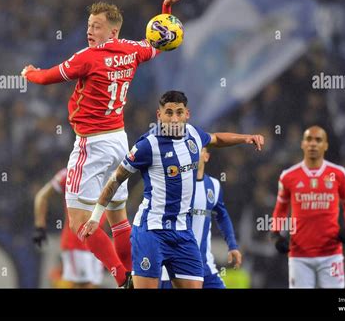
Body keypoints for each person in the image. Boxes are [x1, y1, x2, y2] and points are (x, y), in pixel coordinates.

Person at [21, 0, 182, 287]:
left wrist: (29, 72)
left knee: (79, 222)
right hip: (119, 141)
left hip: (91, 144)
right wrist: (166, 10)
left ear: (113, 31)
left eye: (97, 26)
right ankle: (133, 273)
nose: (90, 31)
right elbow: (159, 42)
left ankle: (122, 278)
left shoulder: (88, 57)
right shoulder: (133, 50)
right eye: (88, 26)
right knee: (118, 217)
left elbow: (46, 78)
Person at [80, 90, 264, 288]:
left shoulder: (194, 134)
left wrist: (245, 138)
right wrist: (95, 216)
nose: (174, 118)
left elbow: (217, 139)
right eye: (169, 112)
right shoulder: (147, 145)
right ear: (159, 115)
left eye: (179, 112)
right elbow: (115, 179)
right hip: (151, 232)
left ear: (187, 114)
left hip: (182, 233)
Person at [271, 126, 345, 288]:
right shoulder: (288, 176)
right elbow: (281, 209)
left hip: (331, 253)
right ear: (302, 144)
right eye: (309, 139)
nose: (313, 144)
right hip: (299, 255)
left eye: (318, 140)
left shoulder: (339, 174)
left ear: (326, 145)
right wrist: (276, 235)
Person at [160, 147, 242, 289]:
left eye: (198, 149)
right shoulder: (175, 184)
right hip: (174, 266)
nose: (193, 153)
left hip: (204, 265)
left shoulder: (214, 185)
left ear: (206, 157)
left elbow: (222, 215)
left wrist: (232, 245)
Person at [33, 168, 104, 288]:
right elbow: (42, 196)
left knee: (91, 285)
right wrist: (40, 226)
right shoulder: (69, 173)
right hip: (76, 243)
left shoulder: (109, 173)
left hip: (97, 245)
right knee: (84, 285)